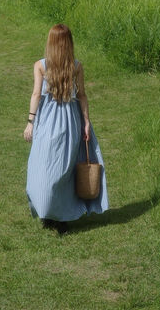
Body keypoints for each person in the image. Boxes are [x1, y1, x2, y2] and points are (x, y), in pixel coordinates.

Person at [24, 23, 109, 233]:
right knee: (64, 169)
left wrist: (30, 122)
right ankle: (58, 216)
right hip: (70, 120)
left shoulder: (41, 65)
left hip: (47, 121)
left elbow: (36, 95)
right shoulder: (76, 66)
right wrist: (86, 121)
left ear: (51, 43)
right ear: (69, 43)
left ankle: (51, 213)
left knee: (42, 167)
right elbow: (82, 95)